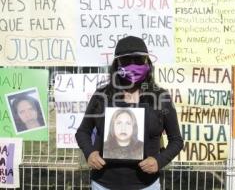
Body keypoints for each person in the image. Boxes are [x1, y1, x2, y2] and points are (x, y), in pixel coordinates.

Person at [75, 36, 183, 190]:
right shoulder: (101, 96)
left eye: (138, 59)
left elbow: (176, 140)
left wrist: (159, 161)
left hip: (147, 185)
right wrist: (90, 153)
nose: (133, 64)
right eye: (126, 60)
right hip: (103, 184)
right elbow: (83, 132)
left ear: (147, 62)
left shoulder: (161, 97)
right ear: (117, 63)